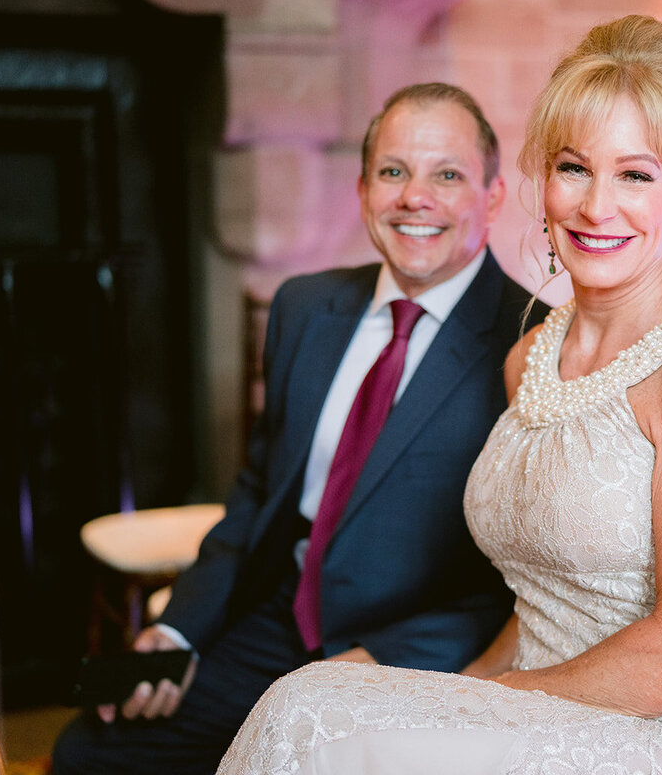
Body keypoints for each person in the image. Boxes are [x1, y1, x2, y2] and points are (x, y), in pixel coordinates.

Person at [217, 14, 662, 775]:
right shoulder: (530, 356)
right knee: (313, 696)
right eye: (573, 168)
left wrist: (479, 709)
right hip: (541, 710)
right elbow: (536, 611)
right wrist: (456, 696)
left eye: (636, 174)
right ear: (540, 181)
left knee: (314, 715)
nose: (596, 207)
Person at [52, 82, 547, 774]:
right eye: (394, 171)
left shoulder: (537, 344)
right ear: (364, 187)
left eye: (449, 175)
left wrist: (386, 656)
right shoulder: (305, 308)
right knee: (90, 753)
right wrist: (176, 628)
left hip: (414, 653)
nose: (415, 196)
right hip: (282, 620)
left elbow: (528, 577)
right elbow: (259, 495)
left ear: (492, 197)